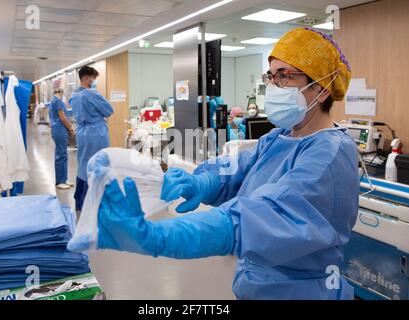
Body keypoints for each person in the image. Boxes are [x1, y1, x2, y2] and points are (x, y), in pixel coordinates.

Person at [70, 28, 358, 300]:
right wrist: (199, 181)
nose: (274, 86)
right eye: (271, 76)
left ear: (321, 89)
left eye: (285, 76)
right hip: (254, 285)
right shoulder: (279, 138)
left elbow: (264, 218)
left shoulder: (330, 153)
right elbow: (234, 171)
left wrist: (160, 237)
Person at [71, 66, 114, 211]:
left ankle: (79, 199)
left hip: (82, 133)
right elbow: (109, 110)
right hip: (96, 134)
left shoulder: (75, 95)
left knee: (83, 163)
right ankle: (93, 202)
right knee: (98, 164)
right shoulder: (91, 94)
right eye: (93, 78)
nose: (94, 81)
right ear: (87, 77)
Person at [49, 81, 74, 190]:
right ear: (60, 90)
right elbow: (63, 118)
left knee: (62, 154)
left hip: (58, 130)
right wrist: (70, 128)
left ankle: (64, 179)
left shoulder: (54, 101)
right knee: (61, 155)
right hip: (60, 130)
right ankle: (60, 181)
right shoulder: (58, 101)